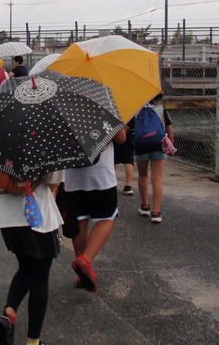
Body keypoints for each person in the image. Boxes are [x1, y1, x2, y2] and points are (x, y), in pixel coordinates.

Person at [0, 171, 63, 345]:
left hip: (7, 217)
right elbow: (53, 180)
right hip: (36, 216)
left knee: (26, 268)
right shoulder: (43, 142)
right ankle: (33, 341)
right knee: (40, 278)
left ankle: (9, 315)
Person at [64, 130, 126, 292]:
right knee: (106, 218)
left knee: (80, 220)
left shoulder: (61, 108)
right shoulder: (103, 106)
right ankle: (85, 260)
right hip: (101, 175)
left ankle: (81, 275)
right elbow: (121, 139)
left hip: (72, 174)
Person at [133, 94, 173, 223]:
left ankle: (145, 205)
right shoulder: (161, 110)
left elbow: (128, 128)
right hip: (158, 146)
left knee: (142, 175)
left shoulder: (137, 110)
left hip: (141, 147)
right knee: (157, 178)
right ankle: (156, 212)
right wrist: (171, 145)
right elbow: (169, 128)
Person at [114, 122, 135, 195]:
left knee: (113, 160)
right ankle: (128, 185)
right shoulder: (131, 112)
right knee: (128, 161)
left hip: (116, 134)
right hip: (130, 136)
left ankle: (112, 182)